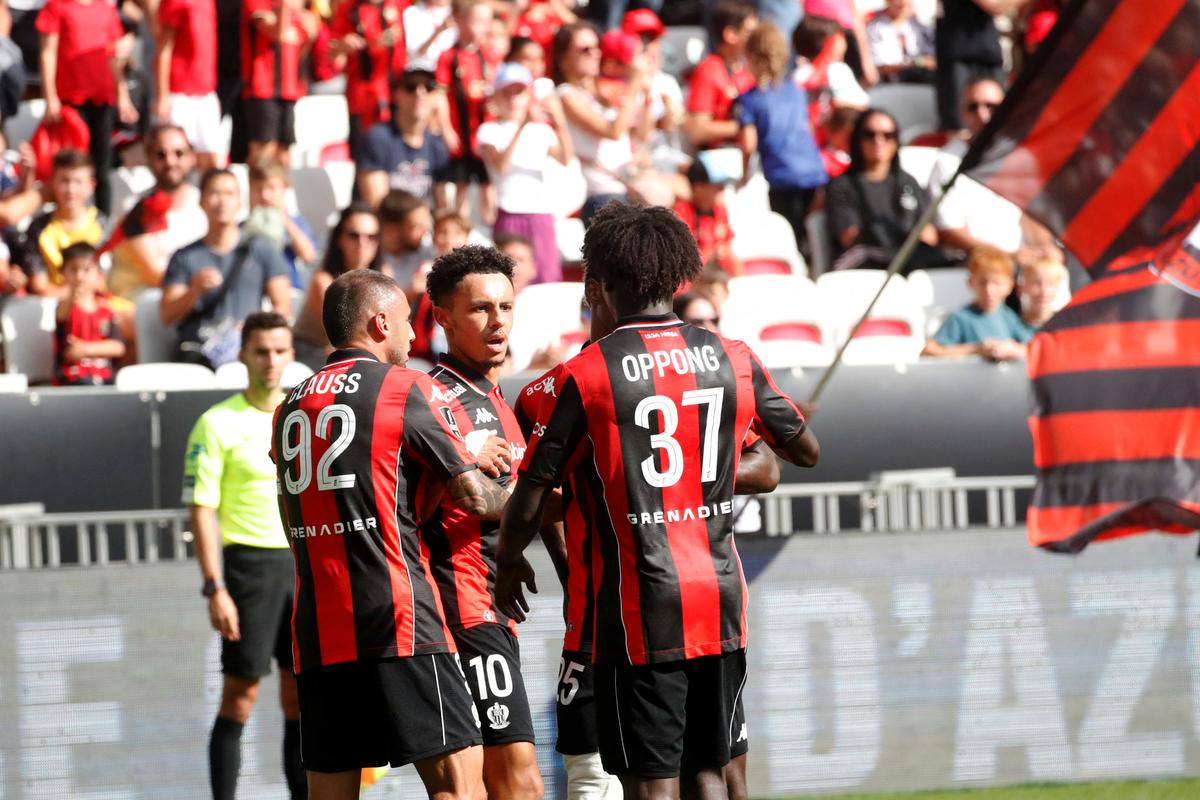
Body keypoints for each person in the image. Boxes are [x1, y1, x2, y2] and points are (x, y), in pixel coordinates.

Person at [495, 203, 819, 798]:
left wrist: (509, 561)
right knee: (710, 770)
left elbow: (532, 495)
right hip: (720, 597)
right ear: (677, 274)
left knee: (651, 782)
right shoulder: (733, 356)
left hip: (637, 603)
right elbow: (804, 452)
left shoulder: (585, 375)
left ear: (604, 282)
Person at [271, 268, 510, 800]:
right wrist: (532, 499)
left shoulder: (290, 404)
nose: (411, 334)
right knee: (457, 783)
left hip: (318, 627)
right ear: (381, 323)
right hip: (399, 616)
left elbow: (300, 512)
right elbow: (475, 497)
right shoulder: (405, 386)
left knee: (331, 792)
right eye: (406, 322)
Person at [421, 245, 544, 800]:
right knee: (511, 780)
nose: (498, 321)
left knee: (493, 780)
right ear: (444, 318)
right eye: (480, 309)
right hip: (459, 603)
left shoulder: (496, 399)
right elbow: (482, 502)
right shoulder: (436, 399)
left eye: (506, 307)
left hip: (489, 603)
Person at [183, 311, 305, 800]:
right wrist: (215, 587)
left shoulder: (303, 414)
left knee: (301, 700)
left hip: (302, 566)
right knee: (240, 699)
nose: (271, 361)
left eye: (279, 350)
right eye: (261, 351)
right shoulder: (216, 422)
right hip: (249, 570)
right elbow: (201, 509)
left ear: (291, 354)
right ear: (243, 355)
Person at [160, 168, 292, 368]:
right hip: (197, 353)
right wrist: (193, 292)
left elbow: (282, 306)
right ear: (201, 201)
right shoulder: (184, 256)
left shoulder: (262, 249)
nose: (222, 201)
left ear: (240, 202)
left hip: (246, 352)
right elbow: (167, 315)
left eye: (229, 194)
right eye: (214, 193)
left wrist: (254, 329)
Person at [928, 78, 1061, 267]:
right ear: (962, 113)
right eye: (973, 107)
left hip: (1022, 263)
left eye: (991, 106)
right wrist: (1010, 255)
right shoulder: (947, 162)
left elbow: (1029, 214)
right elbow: (950, 231)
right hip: (974, 264)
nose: (982, 114)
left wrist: (1044, 246)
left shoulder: (1019, 156)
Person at [36, 0, 137, 214]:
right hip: (70, 98)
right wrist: (50, 96)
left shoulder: (106, 10)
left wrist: (122, 95)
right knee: (70, 167)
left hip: (102, 98)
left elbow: (113, 57)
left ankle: (102, 221)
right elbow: (48, 52)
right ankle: (64, 219)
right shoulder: (57, 6)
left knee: (101, 165)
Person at [737, 21, 828, 257]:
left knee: (792, 238)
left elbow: (749, 143)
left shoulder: (750, 99)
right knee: (814, 237)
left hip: (782, 176)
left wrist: (744, 175)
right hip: (814, 171)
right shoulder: (795, 90)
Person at [477, 61, 572, 285]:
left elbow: (565, 158)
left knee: (546, 277)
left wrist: (559, 119)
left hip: (540, 212)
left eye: (518, 92)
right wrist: (523, 125)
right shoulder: (489, 130)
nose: (512, 99)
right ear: (496, 97)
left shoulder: (541, 130)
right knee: (508, 279)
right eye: (506, 93)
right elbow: (500, 166)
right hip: (509, 212)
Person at [825, 108, 942, 271]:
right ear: (857, 139)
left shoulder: (908, 181)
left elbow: (928, 234)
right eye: (869, 134)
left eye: (888, 135)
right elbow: (849, 237)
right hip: (864, 263)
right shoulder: (841, 185)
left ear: (896, 141)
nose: (878, 141)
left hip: (910, 259)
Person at [551, 21, 642, 226]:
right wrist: (633, 85)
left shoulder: (600, 93)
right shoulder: (565, 94)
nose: (595, 53)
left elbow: (641, 133)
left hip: (623, 188)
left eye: (596, 47)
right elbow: (613, 132)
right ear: (563, 58)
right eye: (585, 49)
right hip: (600, 194)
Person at [108, 124, 208, 300]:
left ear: (192, 157)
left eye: (179, 153)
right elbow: (154, 275)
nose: (170, 162)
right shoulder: (135, 208)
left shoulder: (207, 205)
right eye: (161, 155)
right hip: (143, 302)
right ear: (149, 158)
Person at [293, 203, 383, 369]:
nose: (362, 243)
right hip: (311, 355)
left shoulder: (384, 278)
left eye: (371, 237)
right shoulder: (324, 282)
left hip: (351, 356)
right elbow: (346, 337)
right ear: (340, 239)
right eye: (354, 236)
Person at [357, 59, 452, 208]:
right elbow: (377, 205)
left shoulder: (437, 145)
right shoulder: (378, 138)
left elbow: (442, 206)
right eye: (411, 86)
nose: (420, 93)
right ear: (396, 94)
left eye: (428, 87)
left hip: (421, 227)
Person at [17, 148, 105, 300]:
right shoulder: (38, 228)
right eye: (64, 180)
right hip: (55, 307)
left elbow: (106, 279)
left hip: (98, 303)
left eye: (78, 182)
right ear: (52, 182)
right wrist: (76, 296)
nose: (71, 189)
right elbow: (40, 285)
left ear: (91, 186)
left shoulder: (103, 225)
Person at [435, 0, 494, 221]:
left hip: (484, 136)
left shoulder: (488, 55)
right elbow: (440, 95)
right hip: (461, 133)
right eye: (478, 21)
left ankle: (491, 229)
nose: (484, 27)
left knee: (488, 185)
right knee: (462, 185)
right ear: (460, 20)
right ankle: (461, 233)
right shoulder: (448, 57)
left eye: (487, 21)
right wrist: (447, 128)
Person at [241, 0, 318, 167]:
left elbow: (301, 48)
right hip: (263, 89)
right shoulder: (258, 3)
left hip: (289, 90)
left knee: (284, 154)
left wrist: (310, 35)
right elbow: (276, 33)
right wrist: (286, 7)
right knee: (263, 155)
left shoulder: (299, 7)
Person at [921, 245, 1033, 359]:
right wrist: (975, 349)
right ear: (970, 282)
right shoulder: (960, 318)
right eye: (982, 283)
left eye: (997, 283)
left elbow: (1031, 347)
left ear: (1009, 286)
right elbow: (929, 351)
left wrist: (1012, 349)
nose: (990, 290)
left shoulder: (1007, 315)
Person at [329, 0, 407, 156]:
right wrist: (344, 45)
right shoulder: (348, 9)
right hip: (362, 95)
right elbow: (330, 52)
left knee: (396, 151)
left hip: (396, 92)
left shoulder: (400, 4)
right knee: (364, 152)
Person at [155, 0, 222, 170]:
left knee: (212, 158)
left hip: (206, 93)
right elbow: (164, 47)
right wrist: (162, 95)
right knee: (179, 159)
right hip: (180, 94)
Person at [683, 0, 756, 151]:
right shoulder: (709, 70)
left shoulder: (749, 69)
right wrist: (746, 127)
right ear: (731, 34)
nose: (756, 38)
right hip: (721, 156)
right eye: (750, 32)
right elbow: (698, 129)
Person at [934, 0, 1016, 132]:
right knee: (961, 126)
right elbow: (994, 5)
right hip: (960, 56)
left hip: (987, 54)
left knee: (1000, 120)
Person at [53, 243, 125, 385]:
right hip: (73, 377)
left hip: (104, 375)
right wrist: (73, 293)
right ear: (63, 273)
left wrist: (86, 349)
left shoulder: (106, 310)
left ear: (99, 275)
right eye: (73, 270)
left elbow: (118, 347)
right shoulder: (64, 307)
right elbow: (61, 315)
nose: (79, 276)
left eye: (86, 270)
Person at [246, 154, 319, 289]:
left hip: (289, 287)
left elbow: (308, 255)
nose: (265, 196)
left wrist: (284, 220)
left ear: (285, 188)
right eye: (258, 189)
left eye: (271, 188)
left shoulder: (295, 222)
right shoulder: (244, 226)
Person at [673, 157, 740, 276]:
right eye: (718, 185)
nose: (722, 189)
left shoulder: (720, 210)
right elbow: (683, 262)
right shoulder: (681, 213)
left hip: (720, 278)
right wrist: (711, 253)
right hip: (695, 283)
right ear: (698, 187)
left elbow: (730, 252)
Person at [379, 188, 437, 295]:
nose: (425, 232)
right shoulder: (372, 263)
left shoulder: (429, 253)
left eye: (425, 225)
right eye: (416, 227)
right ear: (391, 230)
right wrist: (409, 294)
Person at [865, 0, 935, 84]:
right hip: (891, 83)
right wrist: (917, 62)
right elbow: (882, 67)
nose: (903, 3)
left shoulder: (918, 27)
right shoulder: (875, 28)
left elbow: (932, 60)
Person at [1018, 258, 1068, 330]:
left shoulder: (1065, 326)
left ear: (1057, 288)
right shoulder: (1012, 322)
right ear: (1023, 288)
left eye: (1051, 284)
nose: (1044, 290)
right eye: (1037, 283)